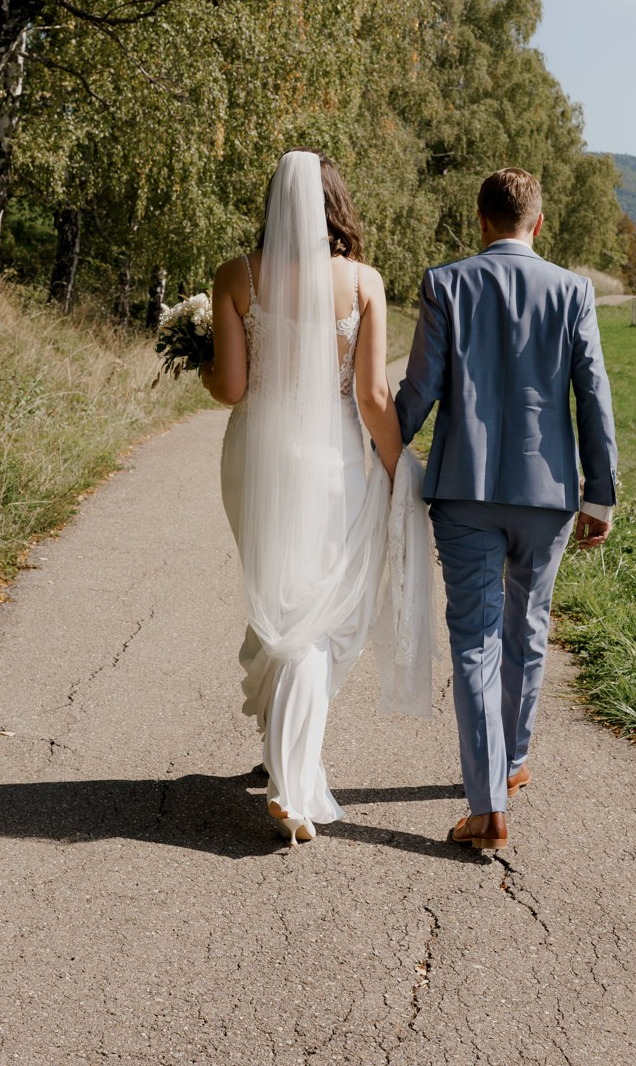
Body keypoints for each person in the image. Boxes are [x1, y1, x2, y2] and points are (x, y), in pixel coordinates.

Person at [203, 150, 431, 844]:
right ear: (338, 205)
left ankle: (286, 763)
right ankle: (292, 784)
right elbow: (369, 396)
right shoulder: (363, 282)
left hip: (259, 455)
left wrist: (202, 363)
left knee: (278, 596)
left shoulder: (236, 276)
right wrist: (400, 470)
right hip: (332, 459)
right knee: (323, 612)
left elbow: (233, 389)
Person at [394, 167, 618, 851]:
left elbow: (420, 389)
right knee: (529, 629)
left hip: (464, 490)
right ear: (538, 224)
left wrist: (378, 449)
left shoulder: (446, 283)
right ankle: (512, 763)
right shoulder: (574, 290)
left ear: (482, 220)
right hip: (548, 496)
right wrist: (600, 493)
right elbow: (593, 395)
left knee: (474, 641)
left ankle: (488, 805)